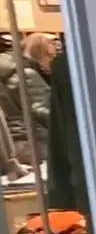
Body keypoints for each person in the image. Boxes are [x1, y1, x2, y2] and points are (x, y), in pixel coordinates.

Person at [0, 33, 52, 161]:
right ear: (40, 52)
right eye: (50, 55)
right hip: (34, 141)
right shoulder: (27, 75)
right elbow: (41, 111)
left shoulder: (5, 75)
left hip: (10, 145)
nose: (52, 59)